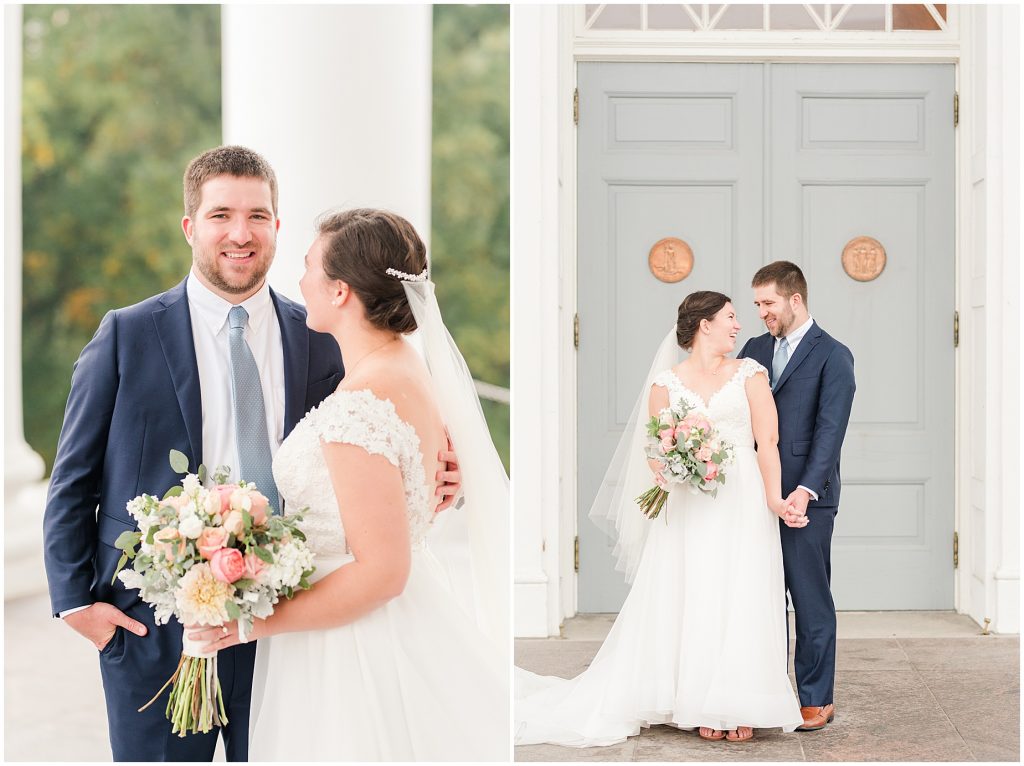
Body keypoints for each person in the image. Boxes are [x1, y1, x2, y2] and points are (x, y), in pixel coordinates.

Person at [42, 147, 461, 761]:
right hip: (154, 628)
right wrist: (78, 604)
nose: (241, 234)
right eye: (221, 216)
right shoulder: (127, 335)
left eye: (258, 216)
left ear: (277, 227)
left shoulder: (325, 337)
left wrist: (441, 480)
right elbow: (72, 478)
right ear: (191, 226)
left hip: (292, 627)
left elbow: (382, 450)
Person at [189, 209, 509, 761]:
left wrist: (252, 624)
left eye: (310, 266)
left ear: (340, 291)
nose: (301, 279)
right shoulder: (407, 367)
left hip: (351, 645)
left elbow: (382, 572)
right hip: (402, 618)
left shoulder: (356, 411)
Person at [515, 291, 805, 746]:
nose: (737, 326)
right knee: (694, 590)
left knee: (740, 589)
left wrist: (774, 498)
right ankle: (696, 700)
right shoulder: (665, 385)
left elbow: (766, 443)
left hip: (742, 499)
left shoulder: (751, 374)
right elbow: (656, 452)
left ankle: (737, 700)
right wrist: (677, 466)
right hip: (689, 502)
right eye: (730, 318)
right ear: (704, 324)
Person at [737, 261, 856, 732]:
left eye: (767, 303)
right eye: (757, 305)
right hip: (755, 496)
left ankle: (815, 698)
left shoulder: (834, 355)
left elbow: (830, 432)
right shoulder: (751, 350)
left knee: (809, 599)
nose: (761, 313)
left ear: (795, 300)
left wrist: (804, 492)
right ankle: (764, 692)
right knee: (760, 598)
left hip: (809, 500)